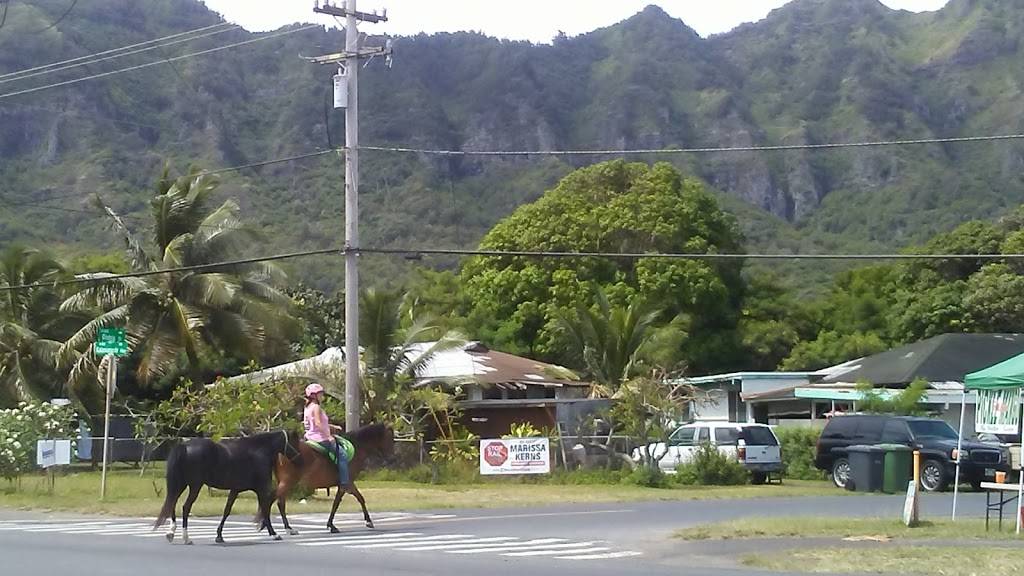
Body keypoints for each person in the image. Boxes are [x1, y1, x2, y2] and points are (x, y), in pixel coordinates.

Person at [302, 383, 350, 487]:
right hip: (320, 438)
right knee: (342, 455)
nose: (322, 396)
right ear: (314, 395)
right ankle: (345, 483)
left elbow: (316, 423)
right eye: (320, 394)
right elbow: (318, 423)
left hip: (310, 437)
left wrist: (333, 427)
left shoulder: (308, 407)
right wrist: (329, 436)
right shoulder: (316, 407)